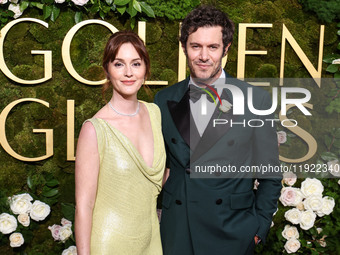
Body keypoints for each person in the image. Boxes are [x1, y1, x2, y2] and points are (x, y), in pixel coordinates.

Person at [154, 5, 281, 255]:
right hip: (178, 230)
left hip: (231, 231)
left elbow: (270, 173)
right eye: (195, 46)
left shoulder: (256, 101)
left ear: (226, 48)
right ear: (184, 48)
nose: (203, 56)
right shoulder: (163, 99)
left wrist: (258, 228)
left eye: (212, 47)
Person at [75, 31, 166, 255]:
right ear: (107, 69)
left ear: (146, 69)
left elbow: (155, 180)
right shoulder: (95, 129)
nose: (128, 73)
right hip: (109, 243)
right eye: (119, 64)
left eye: (136, 63)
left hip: (151, 239)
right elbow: (83, 206)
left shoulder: (155, 114)